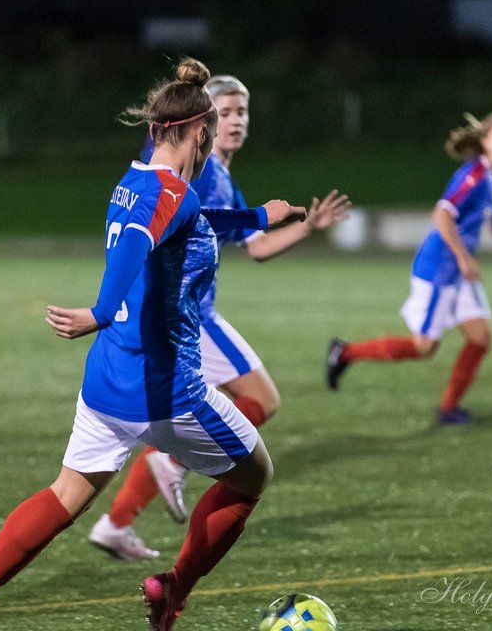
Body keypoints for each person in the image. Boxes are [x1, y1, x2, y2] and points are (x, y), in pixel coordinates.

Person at [0, 58, 306, 631]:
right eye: (208, 132)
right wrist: (99, 311)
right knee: (253, 476)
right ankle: (174, 589)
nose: (212, 143)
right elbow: (136, 238)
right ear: (192, 132)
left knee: (66, 493)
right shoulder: (163, 193)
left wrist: (263, 216)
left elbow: (195, 221)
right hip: (165, 390)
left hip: (107, 384)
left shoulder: (137, 178)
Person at [87, 74, 351, 560]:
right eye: (224, 112)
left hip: (185, 314)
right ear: (203, 123)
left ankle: (117, 521)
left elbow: (256, 247)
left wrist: (307, 225)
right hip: (185, 315)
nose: (233, 121)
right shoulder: (200, 171)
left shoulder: (221, 174)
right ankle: (170, 466)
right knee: (259, 399)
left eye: (241, 113)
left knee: (243, 404)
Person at [324, 112, 492, 425]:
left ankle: (448, 408)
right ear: (484, 143)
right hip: (439, 269)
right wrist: (465, 258)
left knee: (480, 338)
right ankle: (344, 353)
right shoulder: (474, 176)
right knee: (424, 347)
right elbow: (442, 215)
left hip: (459, 272)